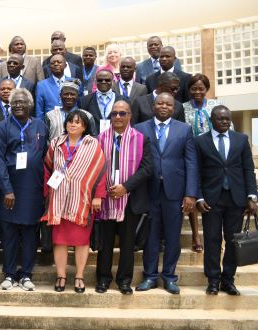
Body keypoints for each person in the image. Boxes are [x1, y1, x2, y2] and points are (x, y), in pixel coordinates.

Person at [134, 93, 198, 294]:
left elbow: (191, 162)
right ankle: (150, 276)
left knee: (172, 237)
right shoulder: (140, 128)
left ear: (174, 108)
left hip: (175, 192)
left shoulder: (185, 129)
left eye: (168, 104)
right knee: (151, 237)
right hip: (149, 191)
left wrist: (190, 194)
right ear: (153, 106)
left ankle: (170, 277)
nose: (163, 106)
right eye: (160, 103)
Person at [196, 106, 258, 296]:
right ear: (211, 120)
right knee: (212, 239)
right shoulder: (200, 141)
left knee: (233, 240)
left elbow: (248, 169)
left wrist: (252, 196)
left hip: (236, 198)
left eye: (227, 119)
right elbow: (196, 171)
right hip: (211, 199)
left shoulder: (241, 140)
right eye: (220, 119)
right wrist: (198, 196)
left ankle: (228, 280)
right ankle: (213, 280)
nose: (224, 122)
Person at [43, 110, 106, 293]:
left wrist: (98, 196)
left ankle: (79, 276)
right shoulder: (56, 143)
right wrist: (47, 193)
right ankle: (61, 276)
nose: (73, 124)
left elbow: (101, 172)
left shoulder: (93, 144)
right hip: (59, 200)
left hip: (83, 201)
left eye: (78, 122)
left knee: (81, 241)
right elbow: (47, 167)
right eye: (70, 121)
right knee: (60, 241)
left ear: (85, 126)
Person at [0, 88, 49, 291]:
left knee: (29, 234)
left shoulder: (40, 126)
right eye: (14, 102)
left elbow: (45, 157)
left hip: (33, 190)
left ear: (30, 105)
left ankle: (26, 274)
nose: (18, 105)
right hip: (9, 190)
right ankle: (9, 273)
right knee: (8, 234)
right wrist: (7, 189)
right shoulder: (2, 127)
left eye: (22, 102)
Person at [95, 101, 153, 294]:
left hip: (130, 199)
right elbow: (94, 167)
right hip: (106, 199)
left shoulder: (141, 139)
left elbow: (147, 169)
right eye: (114, 114)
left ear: (130, 116)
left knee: (128, 244)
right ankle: (103, 279)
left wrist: (125, 187)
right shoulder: (100, 139)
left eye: (122, 113)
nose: (118, 117)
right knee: (106, 243)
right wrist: (106, 188)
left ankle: (124, 280)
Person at [183, 73, 222, 253]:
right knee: (193, 193)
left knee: (213, 194)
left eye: (201, 88)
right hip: (191, 155)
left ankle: (216, 236)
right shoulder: (182, 108)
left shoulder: (216, 106)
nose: (197, 92)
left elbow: (225, 129)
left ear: (207, 89)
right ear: (189, 90)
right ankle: (196, 235)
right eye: (194, 88)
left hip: (213, 156)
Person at [79, 69, 126, 133]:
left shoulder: (123, 100)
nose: (103, 82)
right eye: (100, 80)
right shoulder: (84, 101)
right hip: (93, 139)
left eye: (107, 80)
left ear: (113, 81)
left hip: (116, 139)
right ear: (95, 82)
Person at [35, 54, 77, 119]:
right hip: (50, 123)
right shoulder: (41, 85)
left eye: (59, 62)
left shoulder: (74, 82)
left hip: (71, 121)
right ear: (49, 67)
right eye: (53, 63)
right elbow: (39, 110)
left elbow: (78, 104)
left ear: (65, 65)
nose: (56, 64)